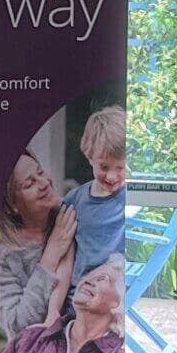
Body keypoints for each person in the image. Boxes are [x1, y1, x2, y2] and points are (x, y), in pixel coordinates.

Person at [0, 254, 125, 353]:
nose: (88, 280)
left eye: (103, 279)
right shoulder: (29, 339)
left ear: (119, 302)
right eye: (90, 274)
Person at [0, 149, 76, 338]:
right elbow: (18, 325)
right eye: (29, 183)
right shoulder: (2, 254)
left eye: (40, 172)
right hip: (39, 349)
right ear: (12, 205)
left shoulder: (71, 214)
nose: (44, 183)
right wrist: (50, 256)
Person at [62, 106, 126, 309]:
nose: (112, 176)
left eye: (120, 167)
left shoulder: (129, 197)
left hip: (111, 298)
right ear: (90, 158)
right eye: (104, 167)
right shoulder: (75, 200)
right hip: (77, 297)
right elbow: (64, 252)